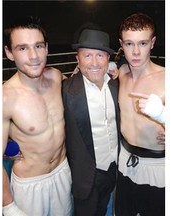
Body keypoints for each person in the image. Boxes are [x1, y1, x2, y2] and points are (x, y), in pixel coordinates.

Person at [2, 16, 72, 216]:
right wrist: (8, 206)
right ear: (9, 53)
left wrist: (110, 75)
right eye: (23, 48)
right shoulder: (5, 98)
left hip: (62, 172)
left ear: (47, 48)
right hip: (30, 184)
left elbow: (81, 89)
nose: (34, 56)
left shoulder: (57, 77)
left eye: (39, 46)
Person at [62, 29, 121, 216]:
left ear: (108, 58)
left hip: (113, 170)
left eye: (100, 55)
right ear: (77, 58)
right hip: (84, 177)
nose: (94, 63)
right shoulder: (64, 91)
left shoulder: (118, 84)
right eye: (87, 55)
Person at [115, 12, 165, 216]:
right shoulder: (121, 73)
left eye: (142, 43)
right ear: (121, 44)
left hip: (158, 166)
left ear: (152, 43)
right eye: (129, 44)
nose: (135, 52)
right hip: (125, 161)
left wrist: (164, 116)